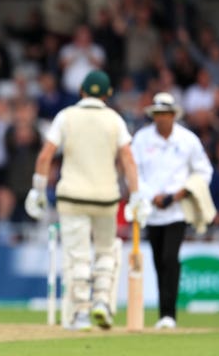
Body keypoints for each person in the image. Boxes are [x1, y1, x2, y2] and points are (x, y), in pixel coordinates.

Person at [25, 70, 149, 331]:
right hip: (106, 197)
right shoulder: (114, 119)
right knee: (105, 251)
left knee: (77, 255)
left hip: (72, 195)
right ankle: (102, 302)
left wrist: (37, 190)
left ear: (81, 91)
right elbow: (127, 158)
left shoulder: (66, 116)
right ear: (107, 95)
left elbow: (46, 155)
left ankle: (81, 312)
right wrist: (136, 194)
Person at [130, 92, 214, 329]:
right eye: (157, 114)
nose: (161, 118)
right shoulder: (142, 139)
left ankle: (169, 315)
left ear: (173, 115)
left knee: (170, 258)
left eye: (165, 114)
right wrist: (151, 196)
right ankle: (164, 314)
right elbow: (133, 172)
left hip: (177, 210)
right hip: (151, 210)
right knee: (159, 262)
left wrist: (181, 193)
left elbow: (204, 171)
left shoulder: (188, 140)